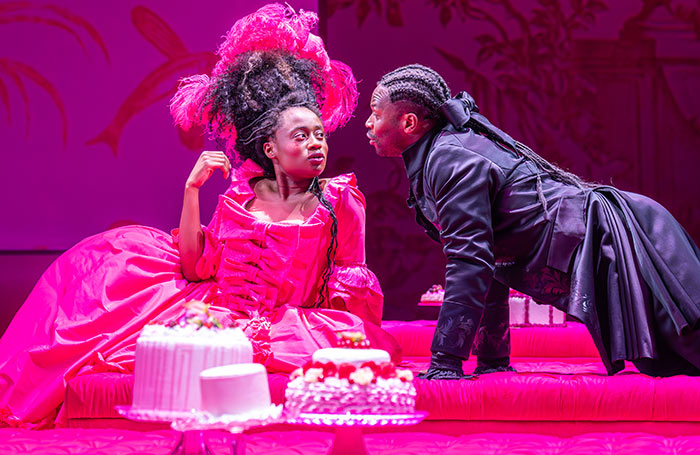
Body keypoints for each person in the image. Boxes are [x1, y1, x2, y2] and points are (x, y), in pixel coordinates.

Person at [0, 4, 394, 429]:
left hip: (298, 326)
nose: (317, 144)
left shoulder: (340, 200)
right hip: (223, 312)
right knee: (97, 288)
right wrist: (191, 191)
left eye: (320, 134)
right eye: (301, 136)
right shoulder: (239, 201)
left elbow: (351, 292)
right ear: (269, 149)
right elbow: (196, 267)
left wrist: (348, 343)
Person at [365, 63, 700, 380]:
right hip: (612, 233)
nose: (368, 123)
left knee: (690, 345)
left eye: (376, 114)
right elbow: (488, 257)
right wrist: (492, 361)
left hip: (618, 238)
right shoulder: (443, 151)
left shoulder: (449, 157)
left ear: (408, 123)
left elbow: (471, 261)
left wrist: (446, 361)